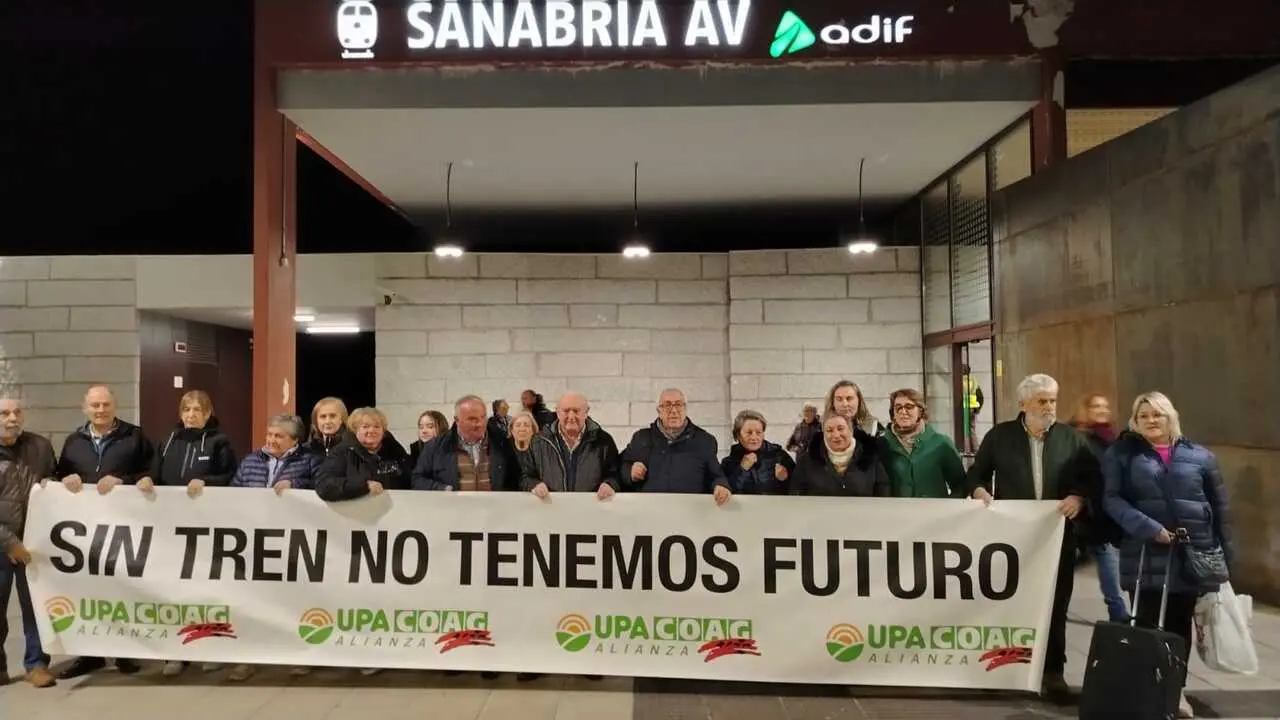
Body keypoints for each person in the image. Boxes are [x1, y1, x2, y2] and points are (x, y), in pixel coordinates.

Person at [966, 373, 1098, 699]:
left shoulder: (1072, 439)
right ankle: (1006, 668)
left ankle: (1053, 671)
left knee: (1055, 604)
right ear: (1023, 403)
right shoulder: (1000, 437)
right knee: (1008, 603)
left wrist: (1079, 497)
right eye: (1042, 400)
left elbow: (1092, 479)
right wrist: (979, 490)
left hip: (1057, 538)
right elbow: (976, 474)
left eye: (1052, 400)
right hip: (1010, 541)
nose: (1049, 406)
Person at [1103, 392, 1233, 719]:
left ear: (1170, 416)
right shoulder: (1121, 454)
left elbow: (1220, 508)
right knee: (1145, 627)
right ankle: (1147, 690)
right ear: (1135, 420)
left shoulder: (1200, 456)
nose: (1151, 420)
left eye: (1157, 414)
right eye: (1144, 415)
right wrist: (1149, 528)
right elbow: (1112, 499)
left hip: (1190, 555)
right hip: (1145, 552)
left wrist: (1227, 559)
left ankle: (1176, 691)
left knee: (1178, 628)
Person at [56, 384, 153, 679]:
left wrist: (123, 480)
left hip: (124, 528)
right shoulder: (74, 440)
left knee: (121, 590)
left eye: (106, 405)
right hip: (84, 533)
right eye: (95, 406)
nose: (100, 411)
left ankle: (125, 653)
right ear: (84, 408)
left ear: (115, 406)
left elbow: (151, 474)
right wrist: (65, 478)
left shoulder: (135, 436)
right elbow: (58, 474)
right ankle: (90, 655)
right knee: (88, 592)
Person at [140, 390, 237, 677]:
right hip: (170, 528)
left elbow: (231, 477)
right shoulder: (167, 440)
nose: (192, 415)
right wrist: (145, 479)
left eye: (198, 410)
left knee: (207, 590)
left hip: (206, 527)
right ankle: (176, 653)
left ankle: (210, 648)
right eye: (187, 410)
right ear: (180, 413)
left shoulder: (220, 441)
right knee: (173, 590)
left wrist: (206, 481)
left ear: (208, 414)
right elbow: (154, 475)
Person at [0, 392, 56, 688]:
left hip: (35, 545)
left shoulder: (39, 446)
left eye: (17, 412)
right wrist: (10, 544)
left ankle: (37, 664)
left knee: (36, 607)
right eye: (4, 414)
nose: (12, 419)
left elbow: (54, 483)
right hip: (4, 544)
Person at [1069, 393, 1128, 623]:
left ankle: (1117, 610)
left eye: (1105, 405)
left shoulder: (1110, 438)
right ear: (1086, 409)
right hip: (1089, 513)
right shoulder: (1078, 437)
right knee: (1105, 559)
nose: (1102, 410)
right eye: (1095, 406)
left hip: (1104, 512)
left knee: (1089, 560)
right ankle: (1118, 612)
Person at [620, 388, 730, 505]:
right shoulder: (641, 438)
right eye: (667, 405)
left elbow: (716, 475)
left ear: (685, 408)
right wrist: (629, 472)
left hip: (691, 514)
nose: (673, 410)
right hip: (649, 513)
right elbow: (620, 466)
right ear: (659, 410)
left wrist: (720, 486)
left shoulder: (704, 441)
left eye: (678, 404)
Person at [411, 395, 519, 494]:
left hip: (492, 510)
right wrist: (441, 489)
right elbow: (417, 479)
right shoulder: (435, 447)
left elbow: (515, 478)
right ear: (457, 420)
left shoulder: (502, 443)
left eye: (483, 417)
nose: (480, 423)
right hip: (453, 510)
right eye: (472, 419)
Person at [878, 388, 965, 498]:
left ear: (921, 411)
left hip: (934, 513)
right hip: (895, 513)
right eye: (898, 408)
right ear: (893, 414)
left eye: (909, 407)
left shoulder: (942, 444)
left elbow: (961, 485)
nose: (903, 412)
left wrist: (946, 509)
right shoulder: (881, 445)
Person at [315, 407, 412, 501]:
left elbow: (411, 479)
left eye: (377, 426)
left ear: (383, 430)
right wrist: (363, 486)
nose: (371, 431)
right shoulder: (342, 452)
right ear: (355, 429)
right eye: (365, 427)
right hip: (355, 514)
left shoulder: (396, 451)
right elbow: (324, 485)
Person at [791, 412, 889, 497]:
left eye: (840, 428)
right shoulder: (807, 461)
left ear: (851, 431)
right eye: (829, 430)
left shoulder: (870, 458)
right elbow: (796, 494)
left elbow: (883, 491)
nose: (836, 435)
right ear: (823, 433)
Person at [720, 410, 794, 495]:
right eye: (749, 432)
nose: (754, 437)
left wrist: (785, 479)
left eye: (758, 432)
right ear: (738, 435)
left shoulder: (780, 456)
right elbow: (726, 493)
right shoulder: (728, 463)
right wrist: (742, 470)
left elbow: (798, 489)